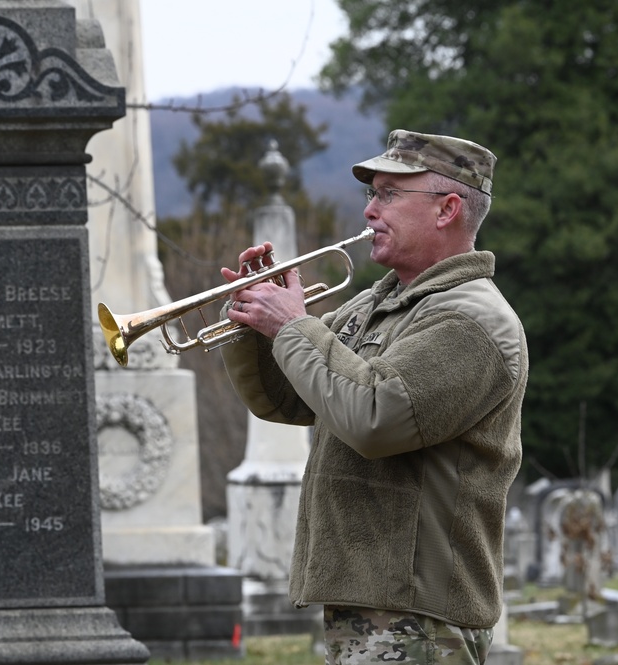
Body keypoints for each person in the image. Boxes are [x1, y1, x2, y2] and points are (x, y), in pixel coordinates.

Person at [219, 130, 528, 665]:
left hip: (420, 611)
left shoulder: (472, 321)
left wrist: (292, 326)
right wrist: (255, 323)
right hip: (372, 601)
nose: (369, 212)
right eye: (371, 194)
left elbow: (373, 420)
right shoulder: (377, 303)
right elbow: (287, 400)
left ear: (447, 209)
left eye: (388, 195)